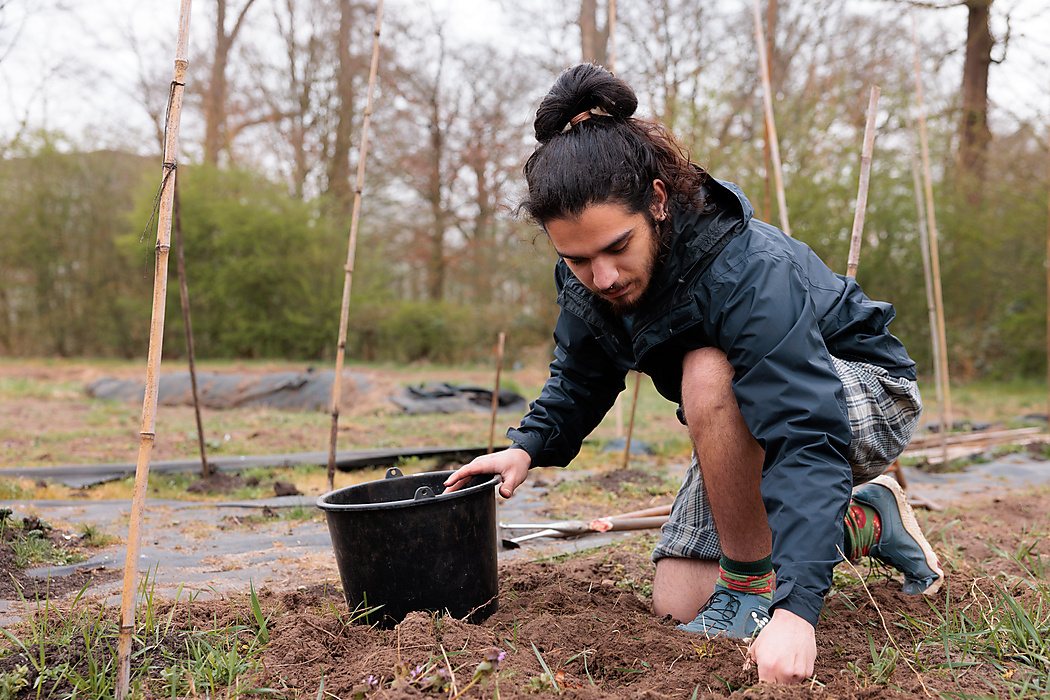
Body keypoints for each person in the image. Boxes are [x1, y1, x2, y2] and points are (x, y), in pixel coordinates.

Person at [444, 63, 942, 685]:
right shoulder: (589, 280)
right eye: (576, 258)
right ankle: (864, 520)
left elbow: (804, 433)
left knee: (708, 371)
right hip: (747, 412)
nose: (602, 277)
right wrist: (526, 448)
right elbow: (580, 375)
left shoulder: (749, 271)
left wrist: (797, 611)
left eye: (617, 247)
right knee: (680, 601)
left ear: (657, 201)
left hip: (858, 393)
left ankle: (762, 578)